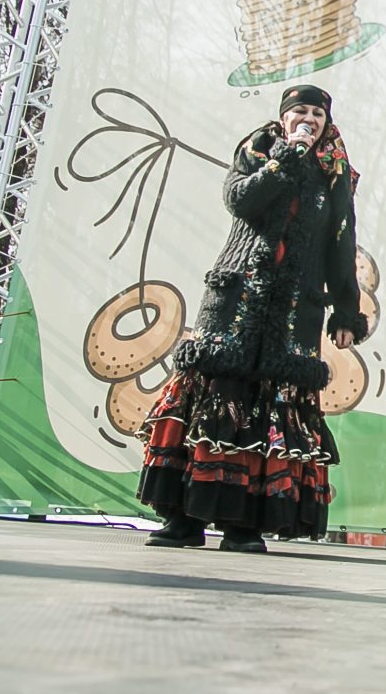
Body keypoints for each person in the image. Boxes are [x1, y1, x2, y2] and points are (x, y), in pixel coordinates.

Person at [137, 85, 367, 554]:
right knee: (215, 400)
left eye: (317, 113)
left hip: (295, 309)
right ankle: (184, 520)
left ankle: (244, 526)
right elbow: (241, 200)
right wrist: (288, 158)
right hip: (236, 297)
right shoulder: (258, 150)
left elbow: (341, 244)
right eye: (300, 112)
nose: (309, 120)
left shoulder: (335, 173)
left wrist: (347, 311)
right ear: (284, 118)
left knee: (270, 409)